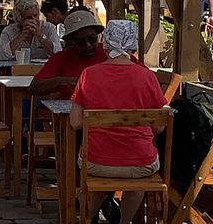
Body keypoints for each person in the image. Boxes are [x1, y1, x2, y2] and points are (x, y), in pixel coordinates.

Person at [69, 17, 170, 186]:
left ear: (105, 45)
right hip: (141, 162)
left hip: (94, 161)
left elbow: (75, 122)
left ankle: (91, 204)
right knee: (139, 179)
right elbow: (159, 127)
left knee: (95, 177)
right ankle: (129, 205)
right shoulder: (148, 76)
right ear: (134, 47)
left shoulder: (88, 75)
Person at [29, 6, 106, 99]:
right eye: (80, 42)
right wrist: (61, 81)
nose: (88, 45)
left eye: (92, 39)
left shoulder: (109, 53)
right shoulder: (62, 58)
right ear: (71, 41)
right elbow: (34, 87)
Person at [0, 0, 57, 66]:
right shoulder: (8, 31)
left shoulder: (49, 28)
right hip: (17, 70)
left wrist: (40, 35)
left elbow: (57, 53)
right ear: (19, 19)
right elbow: (1, 56)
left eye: (35, 15)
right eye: (28, 18)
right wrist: (21, 36)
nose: (33, 20)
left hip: (44, 69)